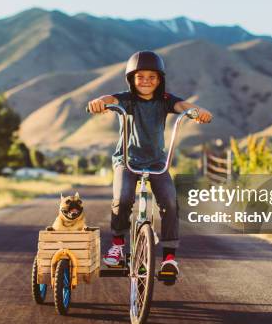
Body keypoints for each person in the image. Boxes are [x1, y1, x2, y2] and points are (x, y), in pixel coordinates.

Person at [87, 50, 212, 279]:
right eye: (140, 76)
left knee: (170, 202)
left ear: (160, 80)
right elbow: (109, 100)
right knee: (123, 197)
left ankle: (169, 259)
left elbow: (184, 106)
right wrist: (98, 102)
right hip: (127, 160)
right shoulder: (126, 99)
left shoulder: (165, 101)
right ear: (131, 79)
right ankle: (117, 245)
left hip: (156, 163)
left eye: (152, 77)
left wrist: (198, 112)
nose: (146, 81)